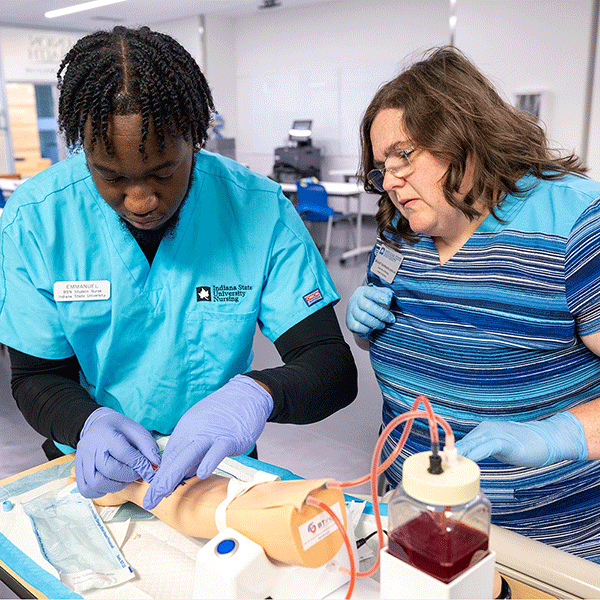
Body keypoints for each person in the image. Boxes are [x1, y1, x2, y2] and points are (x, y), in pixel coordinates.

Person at [0, 26, 357, 512]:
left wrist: (257, 393)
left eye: (163, 171)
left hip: (214, 472)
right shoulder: (37, 220)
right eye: (112, 177)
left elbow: (330, 365)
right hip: (98, 471)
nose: (141, 200)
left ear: (195, 136)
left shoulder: (257, 211)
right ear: (82, 148)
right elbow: (35, 377)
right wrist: (86, 425)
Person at [346, 46, 600, 563]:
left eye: (404, 156)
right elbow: (401, 338)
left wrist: (560, 436)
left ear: (464, 134)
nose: (390, 180)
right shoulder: (400, 234)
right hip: (417, 521)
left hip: (548, 547)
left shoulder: (575, 223)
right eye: (380, 167)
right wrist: (364, 329)